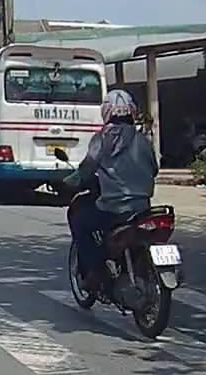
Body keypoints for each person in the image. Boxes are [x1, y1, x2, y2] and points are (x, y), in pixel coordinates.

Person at [63, 89, 159, 291]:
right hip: (142, 208)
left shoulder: (102, 139)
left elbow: (87, 169)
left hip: (113, 209)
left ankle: (93, 272)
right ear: (132, 111)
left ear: (106, 112)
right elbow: (154, 169)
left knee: (79, 219)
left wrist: (70, 182)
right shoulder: (143, 140)